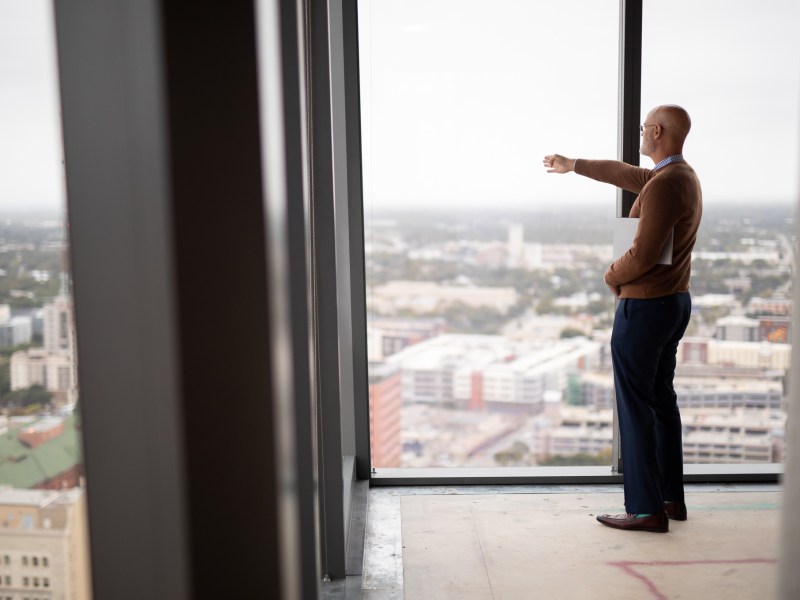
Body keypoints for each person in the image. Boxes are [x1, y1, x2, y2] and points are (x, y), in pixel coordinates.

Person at [543, 104, 702, 533]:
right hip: (672, 302)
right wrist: (573, 165)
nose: (639, 134)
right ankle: (670, 499)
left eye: (642, 128)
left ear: (656, 130)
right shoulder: (677, 176)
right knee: (660, 402)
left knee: (635, 407)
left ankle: (645, 508)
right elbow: (623, 173)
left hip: (648, 306)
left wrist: (609, 275)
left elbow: (643, 254)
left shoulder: (667, 184)